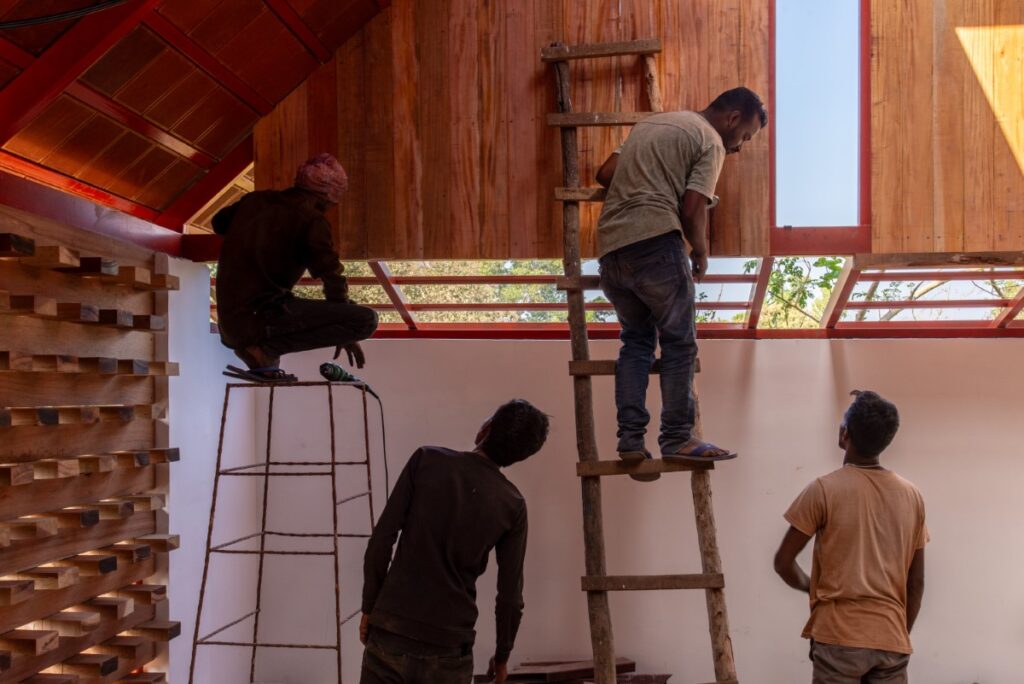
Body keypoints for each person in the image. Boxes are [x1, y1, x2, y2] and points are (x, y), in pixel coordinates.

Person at [594, 87, 766, 479]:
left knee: (636, 342)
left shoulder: (651, 124)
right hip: (656, 244)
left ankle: (631, 440)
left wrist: (652, 177)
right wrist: (701, 252)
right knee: (679, 343)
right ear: (734, 118)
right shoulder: (710, 140)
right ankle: (676, 438)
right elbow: (692, 207)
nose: (739, 147)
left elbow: (605, 174)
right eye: (745, 137)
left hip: (611, 252)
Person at [359, 399, 550, 684]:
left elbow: (382, 540)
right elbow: (510, 596)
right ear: (520, 456)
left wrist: (369, 607)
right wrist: (501, 657)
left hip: (391, 630)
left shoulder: (426, 460)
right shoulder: (512, 505)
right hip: (449, 649)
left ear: (486, 429)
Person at [774, 390, 928, 684]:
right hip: (891, 640)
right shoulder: (912, 496)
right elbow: (916, 581)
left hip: (837, 637)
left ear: (844, 433)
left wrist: (813, 588)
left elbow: (783, 562)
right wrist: (896, 633)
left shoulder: (823, 489)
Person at [213, 153, 378, 382]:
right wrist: (343, 326)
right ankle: (265, 349)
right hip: (261, 318)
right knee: (365, 319)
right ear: (325, 197)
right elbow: (332, 276)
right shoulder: (311, 220)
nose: (330, 208)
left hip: (230, 323)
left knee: (291, 302)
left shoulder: (255, 200)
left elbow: (218, 223)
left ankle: (261, 349)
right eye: (332, 204)